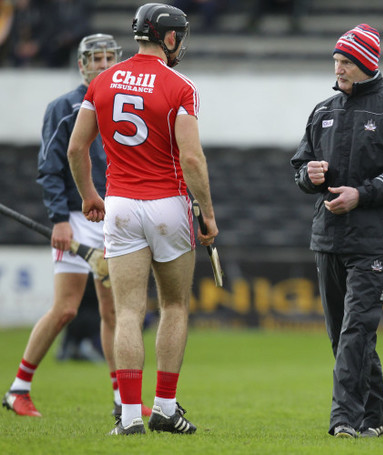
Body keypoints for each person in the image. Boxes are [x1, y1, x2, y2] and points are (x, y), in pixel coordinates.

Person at [67, 2, 218, 436]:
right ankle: (166, 408)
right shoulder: (180, 85)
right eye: (180, 36)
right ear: (169, 37)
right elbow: (191, 157)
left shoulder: (103, 81)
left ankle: (130, 417)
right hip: (168, 205)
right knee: (173, 306)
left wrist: (90, 195)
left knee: (128, 311)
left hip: (119, 206)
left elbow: (77, 150)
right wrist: (207, 214)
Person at [2, 33, 153, 419]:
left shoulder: (122, 100)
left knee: (113, 313)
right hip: (75, 216)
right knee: (66, 309)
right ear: (82, 64)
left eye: (108, 58)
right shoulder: (64, 106)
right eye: (95, 59)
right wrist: (58, 219)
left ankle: (123, 401)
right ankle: (18, 389)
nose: (102, 65)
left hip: (113, 216)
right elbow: (50, 167)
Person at [290, 24, 383, 438]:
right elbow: (300, 167)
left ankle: (344, 420)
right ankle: (378, 420)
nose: (338, 68)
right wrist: (309, 175)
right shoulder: (322, 111)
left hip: (376, 242)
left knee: (356, 330)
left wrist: (361, 195)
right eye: (336, 61)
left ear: (366, 63)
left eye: (346, 61)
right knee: (345, 336)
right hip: (328, 237)